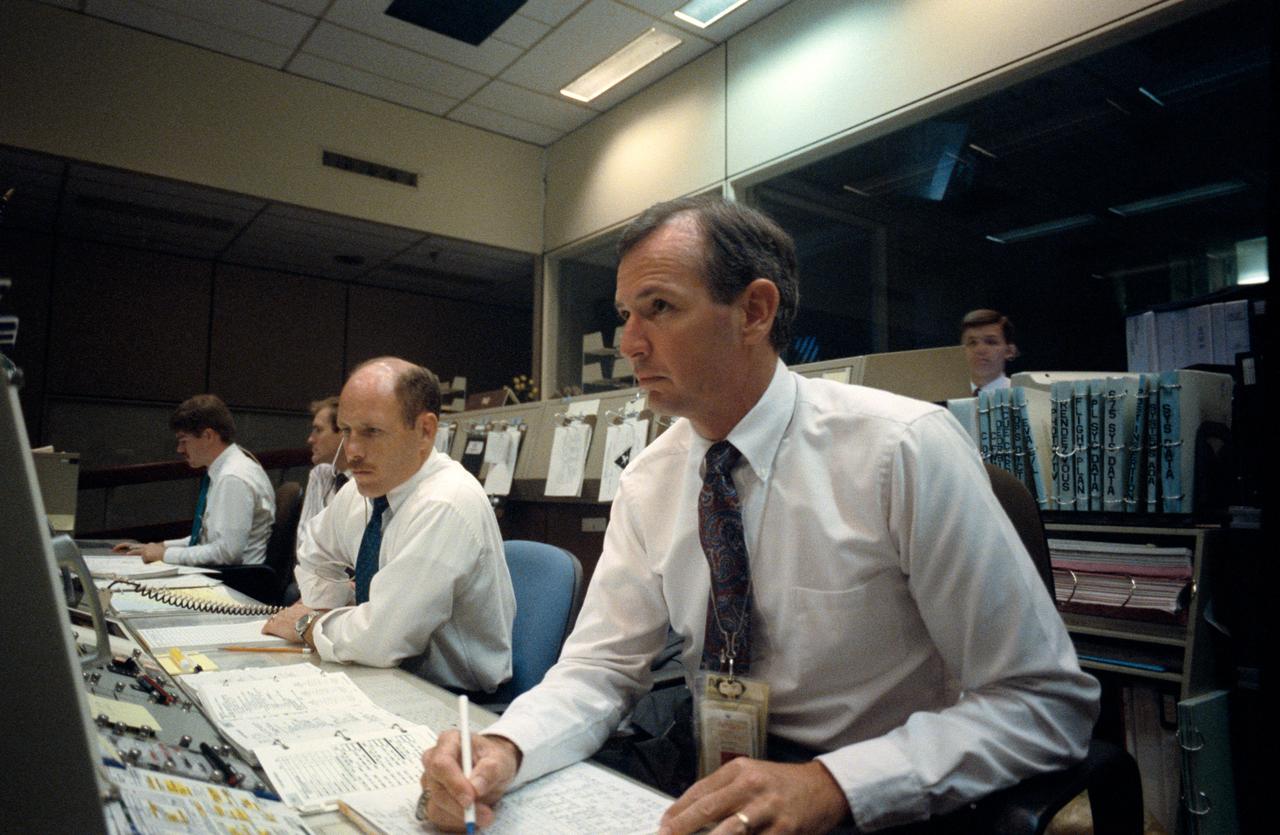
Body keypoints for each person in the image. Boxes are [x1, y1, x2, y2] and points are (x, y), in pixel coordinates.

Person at [422, 198, 1098, 833]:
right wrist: (506, 746)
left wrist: (834, 783)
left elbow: (1044, 703)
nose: (629, 343)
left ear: (754, 310)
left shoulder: (901, 449)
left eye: (658, 308)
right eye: (627, 313)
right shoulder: (652, 478)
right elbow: (601, 668)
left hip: (874, 779)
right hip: (714, 766)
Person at [262, 357, 516, 694]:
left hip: (451, 699)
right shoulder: (364, 488)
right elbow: (314, 551)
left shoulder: (446, 502)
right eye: (347, 431)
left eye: (372, 432)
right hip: (378, 675)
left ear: (425, 431)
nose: (352, 452)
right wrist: (327, 608)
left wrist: (310, 624)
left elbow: (381, 640)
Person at [115, 394, 274, 566]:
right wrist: (159, 547)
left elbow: (227, 553)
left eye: (184, 441)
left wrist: (165, 555)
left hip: (236, 581)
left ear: (208, 436)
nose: (179, 449)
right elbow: (205, 538)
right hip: (226, 575)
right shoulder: (227, 469)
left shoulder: (233, 477)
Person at [296, 395, 349, 557]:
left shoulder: (370, 480)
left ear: (343, 433)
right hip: (315, 575)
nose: (310, 439)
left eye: (318, 430)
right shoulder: (320, 474)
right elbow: (303, 542)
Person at [961, 308, 1018, 393]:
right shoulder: (944, 396)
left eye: (991, 342)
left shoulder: (1025, 397)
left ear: (1009, 351)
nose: (980, 350)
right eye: (972, 343)